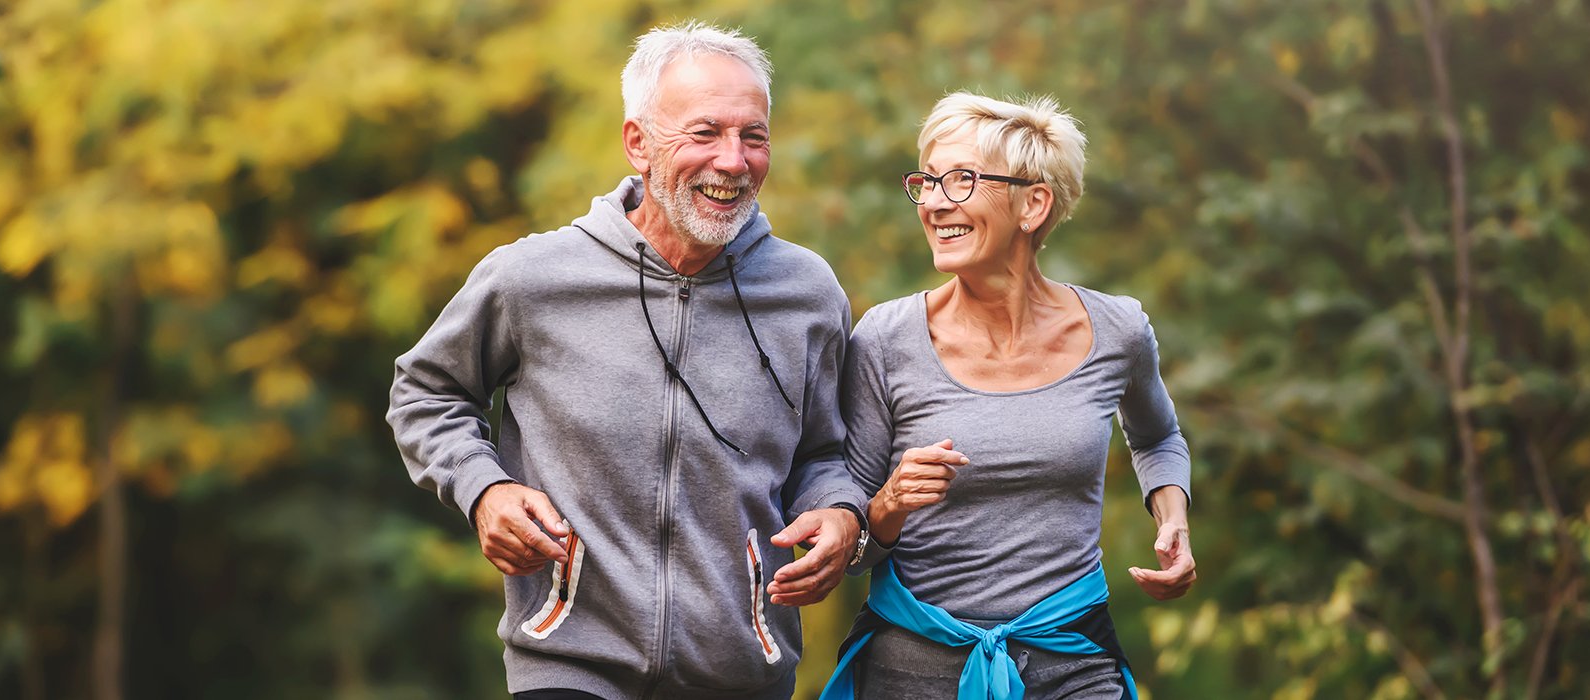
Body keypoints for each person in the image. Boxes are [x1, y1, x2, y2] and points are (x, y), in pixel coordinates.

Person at [387, 22, 869, 700]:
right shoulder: (534, 277)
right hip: (569, 661)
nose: (733, 161)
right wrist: (483, 489)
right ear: (637, 143)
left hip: (740, 671)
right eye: (704, 133)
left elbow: (827, 452)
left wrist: (842, 514)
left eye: (752, 136)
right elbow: (426, 392)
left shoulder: (807, 292)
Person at [820, 92, 1197, 699]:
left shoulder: (1117, 330)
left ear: (1033, 204)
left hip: (1073, 658)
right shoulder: (885, 339)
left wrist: (1173, 517)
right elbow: (851, 545)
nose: (936, 202)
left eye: (963, 180)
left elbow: (1157, 436)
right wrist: (889, 502)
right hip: (911, 667)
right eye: (928, 181)